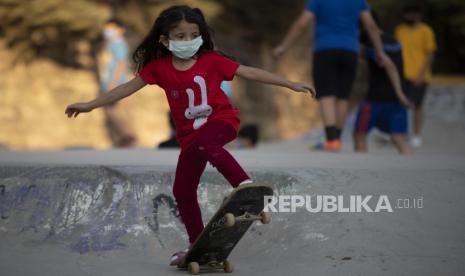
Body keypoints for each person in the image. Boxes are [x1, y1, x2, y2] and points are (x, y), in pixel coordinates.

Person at [65, 5, 315, 266]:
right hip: (191, 140)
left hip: (222, 122)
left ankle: (243, 185)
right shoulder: (159, 68)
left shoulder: (213, 60)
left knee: (207, 143)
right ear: (165, 40)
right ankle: (197, 246)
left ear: (201, 36)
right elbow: (126, 88)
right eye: (180, 36)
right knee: (182, 191)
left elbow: (249, 72)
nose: (188, 42)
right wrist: (91, 104)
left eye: (193, 35)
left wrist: (290, 83)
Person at [273, 0, 389, 152]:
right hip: (350, 51)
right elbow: (371, 26)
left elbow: (301, 24)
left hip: (324, 50)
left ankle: (332, 140)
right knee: (342, 96)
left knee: (327, 95)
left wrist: (284, 46)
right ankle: (337, 139)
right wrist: (380, 51)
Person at [354, 12, 413, 154]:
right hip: (396, 97)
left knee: (360, 133)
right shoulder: (394, 40)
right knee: (397, 136)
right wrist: (400, 93)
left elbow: (390, 66)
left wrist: (399, 93)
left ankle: (358, 168)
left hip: (376, 97)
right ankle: (412, 167)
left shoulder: (371, 42)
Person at [394, 4, 437, 148]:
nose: (410, 17)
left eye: (413, 14)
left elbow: (430, 54)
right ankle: (400, 133)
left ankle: (417, 135)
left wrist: (421, 74)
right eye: (408, 14)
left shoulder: (426, 31)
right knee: (401, 104)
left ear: (419, 15)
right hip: (402, 74)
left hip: (420, 75)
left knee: (417, 105)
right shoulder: (400, 30)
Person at [100, 18, 136, 147]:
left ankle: (126, 135)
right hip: (110, 82)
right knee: (117, 110)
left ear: (121, 30)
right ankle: (126, 136)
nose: (108, 31)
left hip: (116, 82)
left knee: (112, 109)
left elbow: (121, 64)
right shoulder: (110, 44)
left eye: (112, 28)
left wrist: (113, 82)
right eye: (107, 28)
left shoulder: (119, 43)